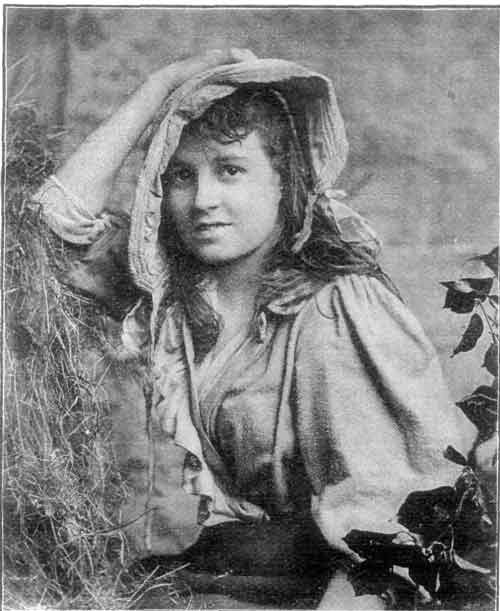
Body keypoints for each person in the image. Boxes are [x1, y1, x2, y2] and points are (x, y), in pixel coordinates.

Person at [34, 49, 477, 609]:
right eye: (181, 175)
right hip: (255, 571)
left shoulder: (336, 309)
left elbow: (392, 526)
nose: (203, 201)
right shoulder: (180, 299)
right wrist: (162, 86)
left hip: (351, 585)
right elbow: (50, 234)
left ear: (285, 183)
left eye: (231, 170)